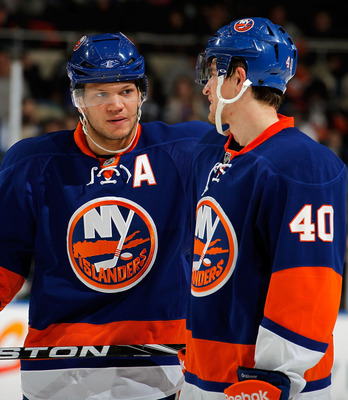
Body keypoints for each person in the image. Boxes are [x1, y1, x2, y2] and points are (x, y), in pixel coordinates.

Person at [0, 32, 213, 400]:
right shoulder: (34, 162)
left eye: (126, 91)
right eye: (101, 93)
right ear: (78, 99)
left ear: (141, 94)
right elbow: (5, 261)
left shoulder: (186, 149)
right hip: (58, 368)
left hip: (156, 366)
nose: (117, 104)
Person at [178, 17, 347, 400]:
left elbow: (307, 286)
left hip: (264, 386)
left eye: (213, 72)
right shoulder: (211, 154)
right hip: (204, 377)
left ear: (239, 79)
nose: (205, 86)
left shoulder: (304, 166)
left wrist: (270, 383)